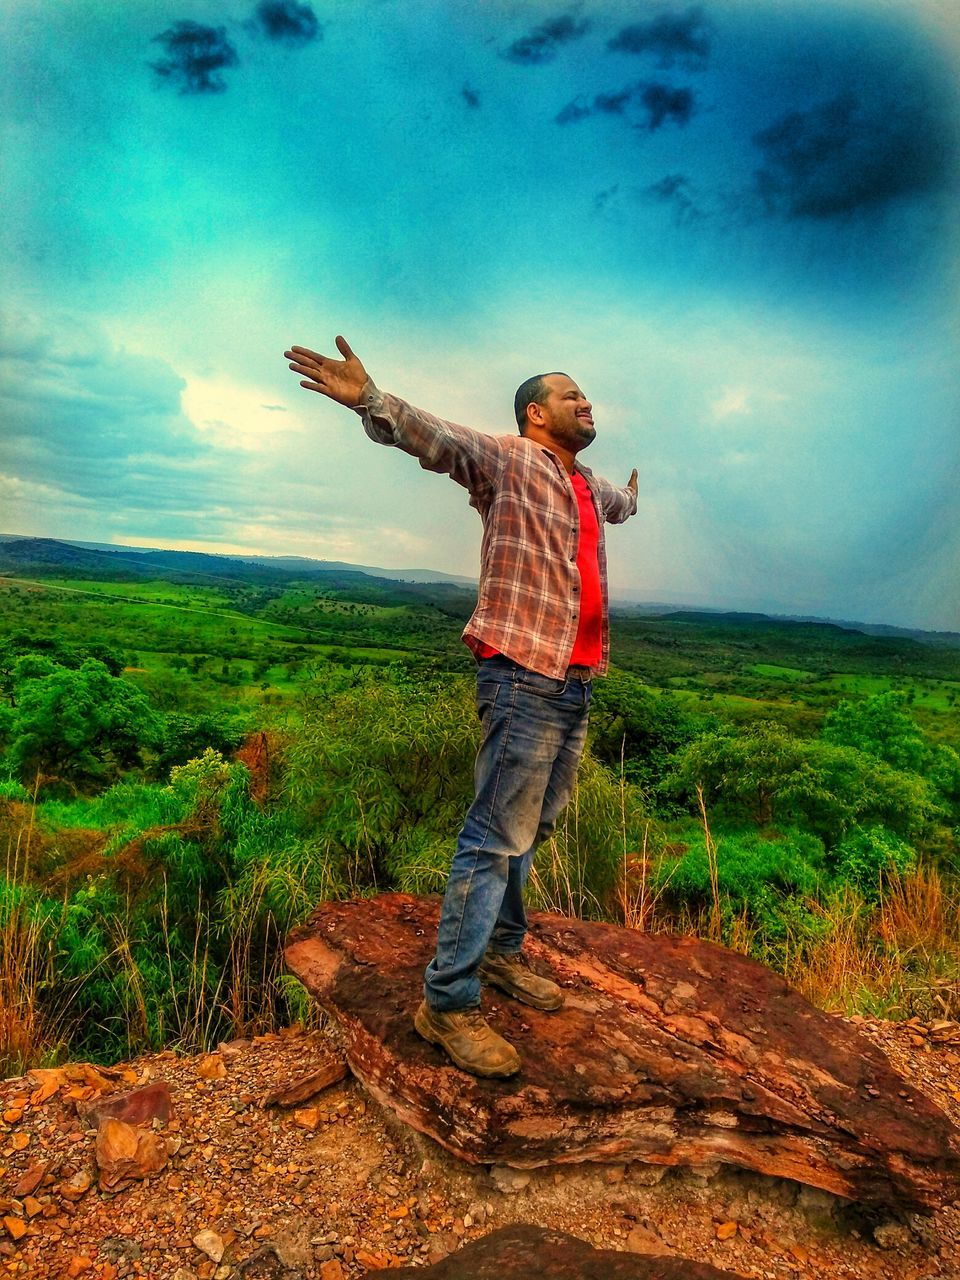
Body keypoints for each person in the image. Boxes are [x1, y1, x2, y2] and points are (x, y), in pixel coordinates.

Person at [285, 336, 637, 1078]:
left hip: (574, 680)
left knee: (530, 829)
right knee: (492, 837)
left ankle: (503, 956)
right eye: (572, 395)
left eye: (589, 396)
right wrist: (373, 402)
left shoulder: (586, 483)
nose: (587, 403)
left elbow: (618, 505)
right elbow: (438, 440)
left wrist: (631, 499)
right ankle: (446, 1003)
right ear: (535, 414)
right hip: (522, 673)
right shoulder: (509, 460)